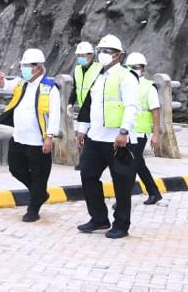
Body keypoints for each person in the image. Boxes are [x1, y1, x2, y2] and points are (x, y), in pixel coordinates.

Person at [75, 34, 140, 239]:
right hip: (96, 138)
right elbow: (89, 106)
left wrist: (124, 131)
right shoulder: (99, 76)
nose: (102, 55)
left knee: (121, 182)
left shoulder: (126, 76)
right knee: (88, 174)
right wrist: (82, 129)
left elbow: (132, 106)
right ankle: (99, 218)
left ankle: (122, 224)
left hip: (117, 139)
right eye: (100, 51)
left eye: (107, 52)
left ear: (118, 56)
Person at [0, 48, 60, 222]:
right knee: (15, 169)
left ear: (37, 68)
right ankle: (39, 193)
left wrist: (49, 137)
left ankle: (34, 208)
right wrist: (1, 81)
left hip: (38, 141)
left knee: (39, 174)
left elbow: (55, 115)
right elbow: (5, 86)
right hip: (19, 137)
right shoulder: (21, 83)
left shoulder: (49, 88)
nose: (23, 69)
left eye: (26, 66)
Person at [125, 52, 163, 205]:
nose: (134, 69)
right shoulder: (125, 84)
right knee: (138, 163)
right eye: (131, 67)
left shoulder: (149, 87)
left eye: (137, 67)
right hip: (127, 131)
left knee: (130, 166)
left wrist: (155, 135)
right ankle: (154, 192)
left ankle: (123, 198)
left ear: (143, 69)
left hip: (140, 133)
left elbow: (155, 112)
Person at [69, 40, 100, 170]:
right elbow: (76, 87)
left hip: (96, 107)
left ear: (91, 55)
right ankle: (85, 162)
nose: (80, 58)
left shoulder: (99, 69)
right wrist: (70, 102)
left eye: (83, 55)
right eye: (79, 56)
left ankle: (89, 162)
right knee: (83, 136)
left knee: (93, 136)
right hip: (84, 108)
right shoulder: (77, 69)